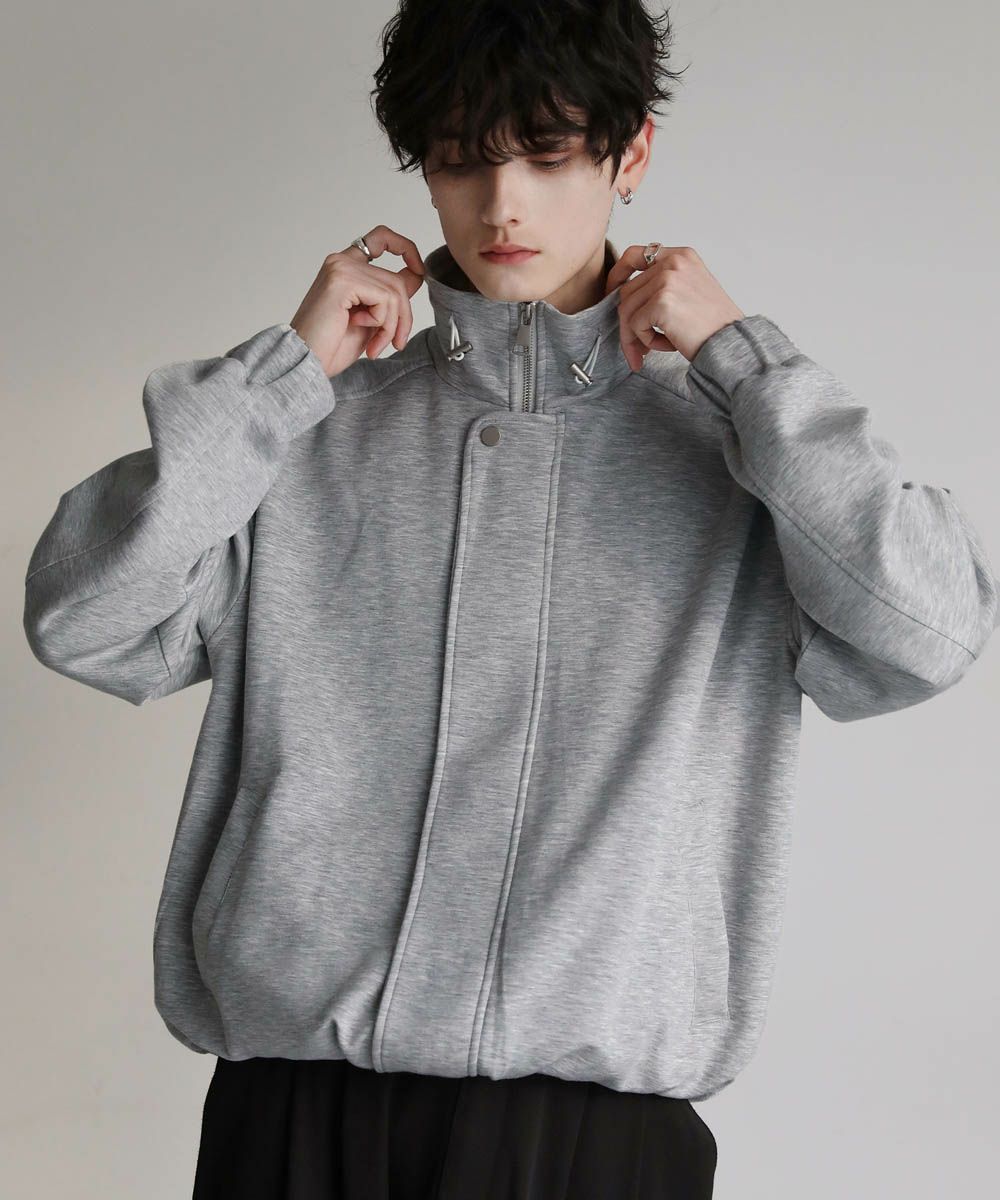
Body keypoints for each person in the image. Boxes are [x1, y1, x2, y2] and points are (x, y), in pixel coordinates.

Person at [22, 2, 998, 1198]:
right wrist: (282, 376)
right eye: (460, 160)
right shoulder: (304, 438)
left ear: (630, 154)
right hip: (291, 1122)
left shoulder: (740, 456)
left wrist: (745, 362)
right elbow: (84, 615)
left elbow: (929, 630)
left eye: (548, 155)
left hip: (590, 1146)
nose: (502, 206)